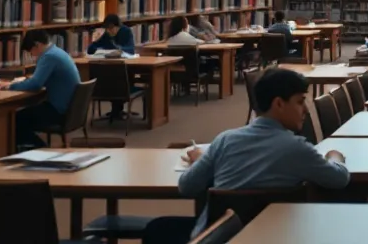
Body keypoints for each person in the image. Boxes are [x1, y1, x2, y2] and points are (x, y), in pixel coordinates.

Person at [146, 68, 351, 243]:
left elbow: (187, 186)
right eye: (300, 102)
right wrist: (334, 156)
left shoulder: (225, 141)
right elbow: (339, 178)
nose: (306, 110)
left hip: (222, 237)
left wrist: (205, 161)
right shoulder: (297, 149)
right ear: (278, 104)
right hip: (280, 237)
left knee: (157, 228)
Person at [1, 29, 82, 149]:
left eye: (31, 52)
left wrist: (10, 86)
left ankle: (39, 148)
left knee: (16, 119)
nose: (33, 56)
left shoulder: (49, 56)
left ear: (37, 45)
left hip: (59, 110)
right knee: (24, 114)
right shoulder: (57, 52)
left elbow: (36, 84)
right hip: (71, 109)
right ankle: (30, 148)